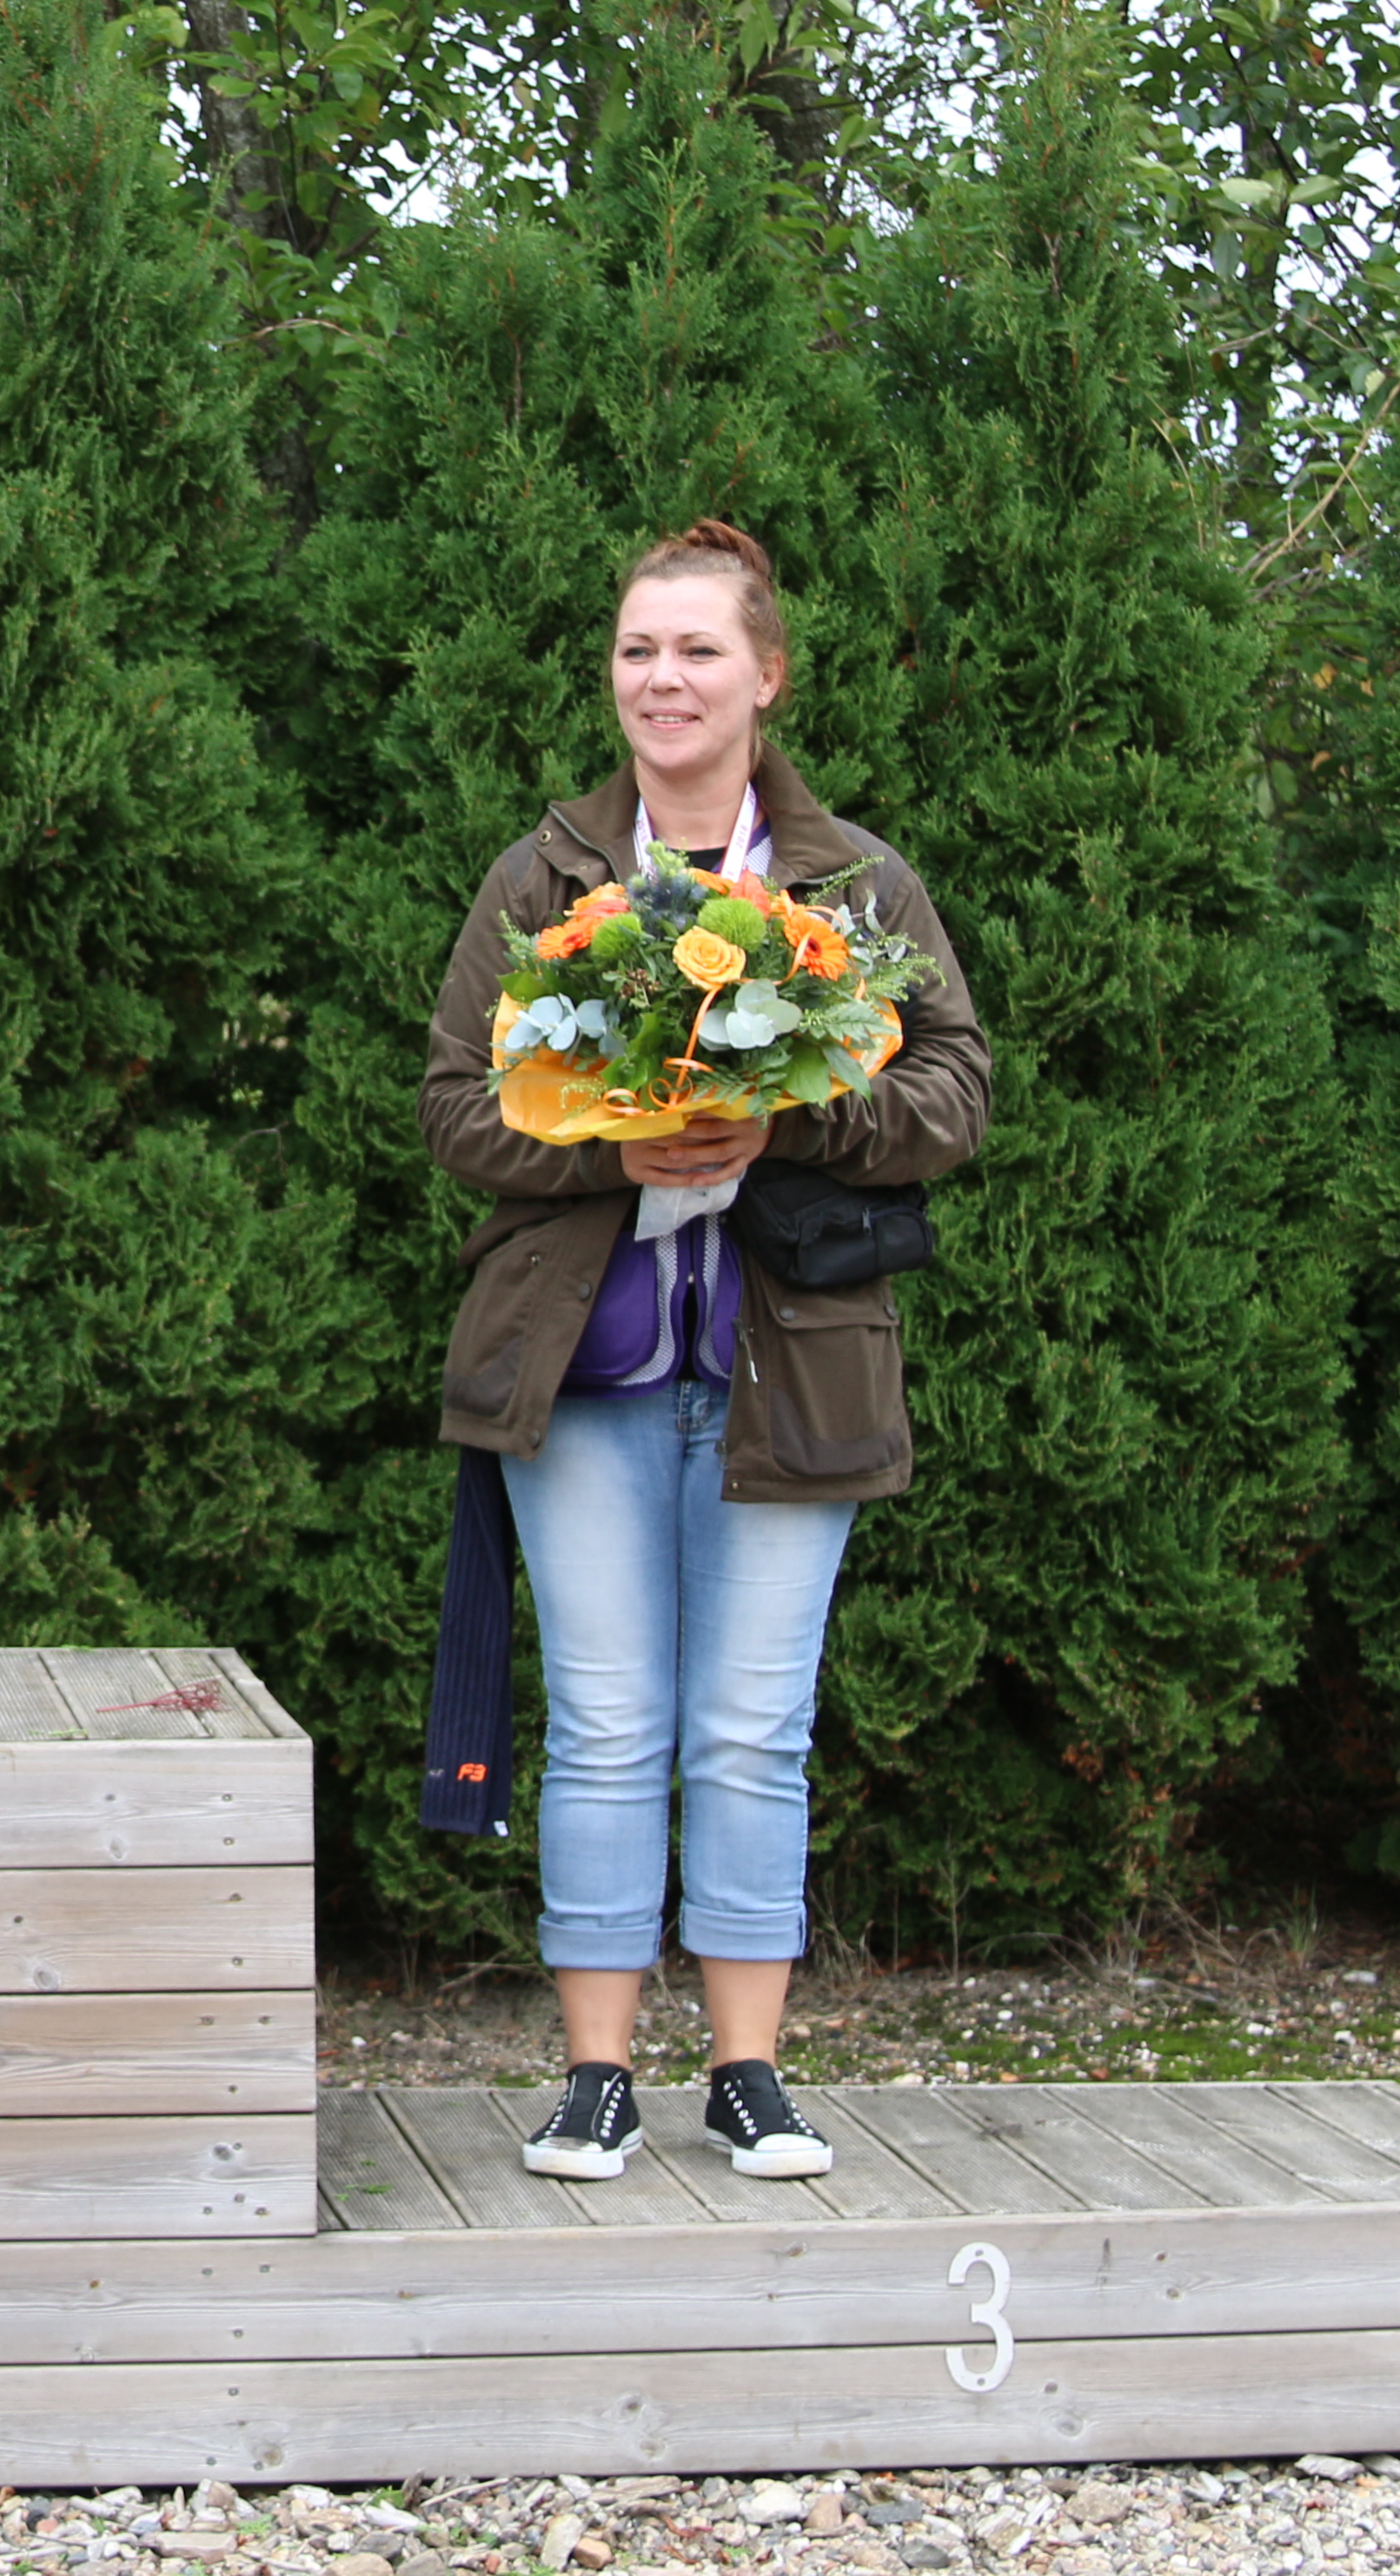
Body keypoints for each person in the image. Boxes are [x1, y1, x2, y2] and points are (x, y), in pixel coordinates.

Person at [417, 519, 985, 2181]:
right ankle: (595, 2076)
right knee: (604, 1723)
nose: (662, 681)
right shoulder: (544, 876)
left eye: (697, 653)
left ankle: (749, 2074)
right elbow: (458, 1105)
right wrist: (618, 1145)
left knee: (752, 1726)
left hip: (786, 1369)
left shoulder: (853, 885)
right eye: (636, 652)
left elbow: (953, 1093)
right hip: (581, 1373)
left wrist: (794, 1112)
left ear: (767, 676)